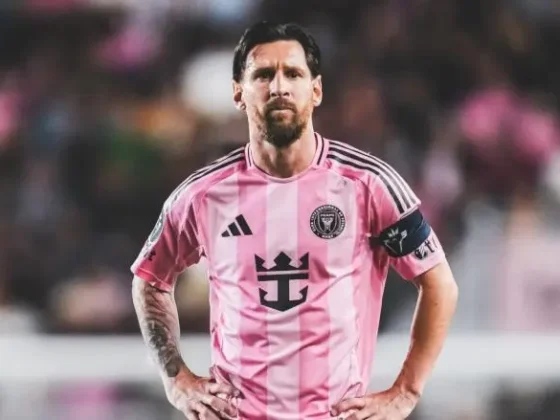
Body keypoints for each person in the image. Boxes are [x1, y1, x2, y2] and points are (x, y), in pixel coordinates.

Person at [131, 21, 458, 420]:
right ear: (238, 92)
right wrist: (177, 380)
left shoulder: (368, 185)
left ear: (316, 90)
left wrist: (405, 392)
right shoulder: (202, 195)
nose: (279, 87)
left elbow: (438, 282)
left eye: (293, 73)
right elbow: (149, 279)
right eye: (263, 75)